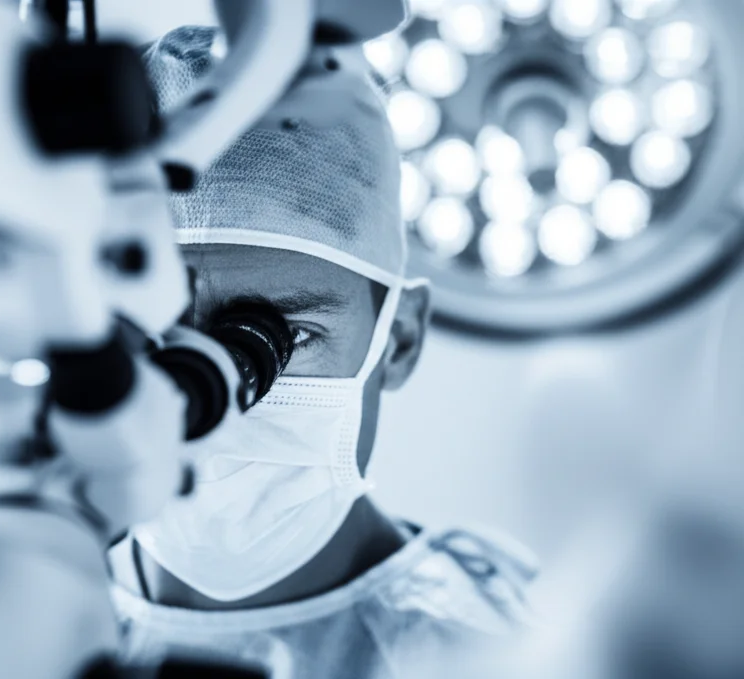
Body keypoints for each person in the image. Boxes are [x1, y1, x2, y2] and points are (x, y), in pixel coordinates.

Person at [103, 26, 537, 679]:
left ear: (399, 339)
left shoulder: (498, 651)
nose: (203, 393)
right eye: (154, 331)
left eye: (285, 338)